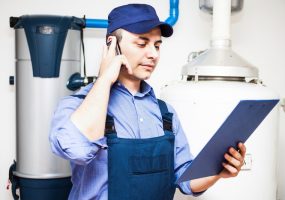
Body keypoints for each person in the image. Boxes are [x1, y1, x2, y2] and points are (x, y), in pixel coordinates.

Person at [49, 3, 246, 200]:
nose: (153, 54)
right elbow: (77, 150)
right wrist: (105, 78)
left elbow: (185, 179)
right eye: (142, 44)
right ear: (112, 44)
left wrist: (218, 172)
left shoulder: (165, 113)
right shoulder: (77, 105)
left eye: (157, 45)